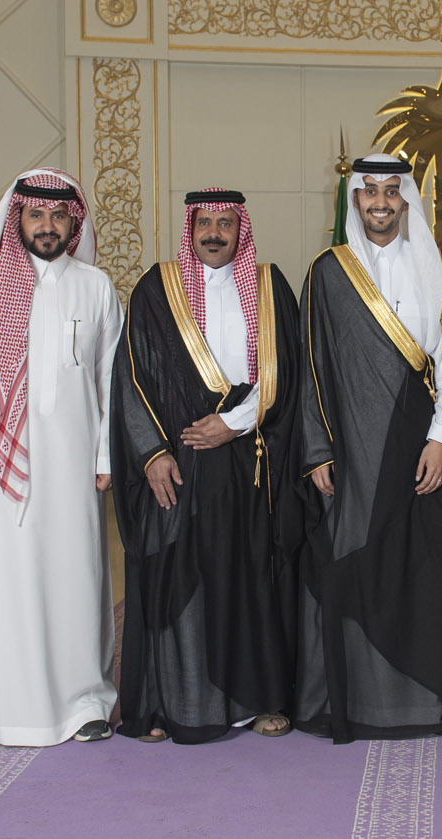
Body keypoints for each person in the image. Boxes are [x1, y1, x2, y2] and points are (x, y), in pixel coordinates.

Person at [0, 168, 121, 748]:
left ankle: (83, 703)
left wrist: (106, 455)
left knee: (73, 578)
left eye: (58, 215)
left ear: (73, 222)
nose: (47, 226)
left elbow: (110, 380)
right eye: (36, 214)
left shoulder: (95, 287)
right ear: (16, 219)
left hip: (72, 464)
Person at [293, 154, 442, 741]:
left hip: (422, 445)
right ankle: (358, 703)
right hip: (351, 449)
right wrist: (317, 451)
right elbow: (311, 366)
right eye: (369, 191)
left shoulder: (436, 266)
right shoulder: (329, 271)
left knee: (425, 571)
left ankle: (424, 703)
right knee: (355, 566)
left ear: (405, 200)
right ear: (355, 200)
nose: (380, 202)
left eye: (390, 192)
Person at [112, 188, 301, 743]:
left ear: (241, 230)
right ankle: (169, 706)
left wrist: (236, 422)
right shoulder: (157, 289)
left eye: (225, 223)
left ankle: (258, 700)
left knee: (249, 577)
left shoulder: (269, 286)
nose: (215, 233)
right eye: (205, 223)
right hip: (177, 458)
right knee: (175, 577)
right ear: (189, 229)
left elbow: (286, 367)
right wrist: (151, 453)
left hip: (248, 458)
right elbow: (131, 375)